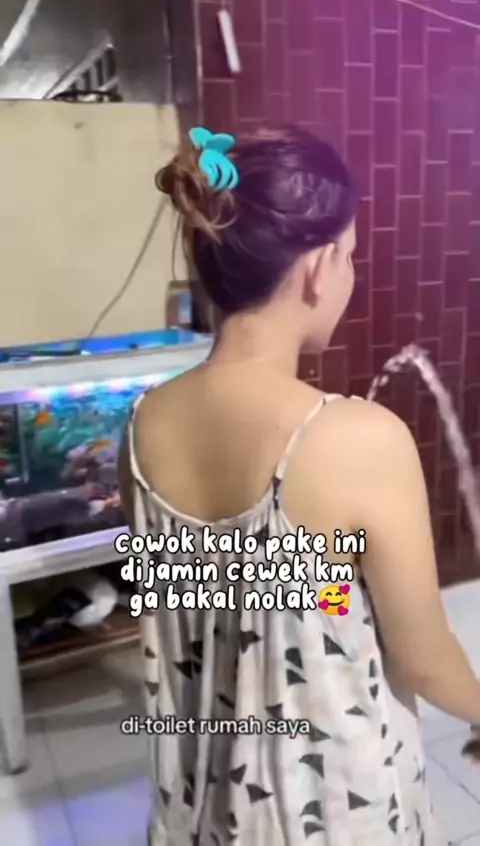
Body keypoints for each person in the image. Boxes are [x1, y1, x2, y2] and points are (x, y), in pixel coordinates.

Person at [118, 125, 480, 846]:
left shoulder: (142, 425)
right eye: (351, 255)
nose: (351, 274)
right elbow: (422, 657)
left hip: (204, 803)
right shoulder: (355, 438)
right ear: (318, 267)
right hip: (334, 811)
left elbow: (247, 595)